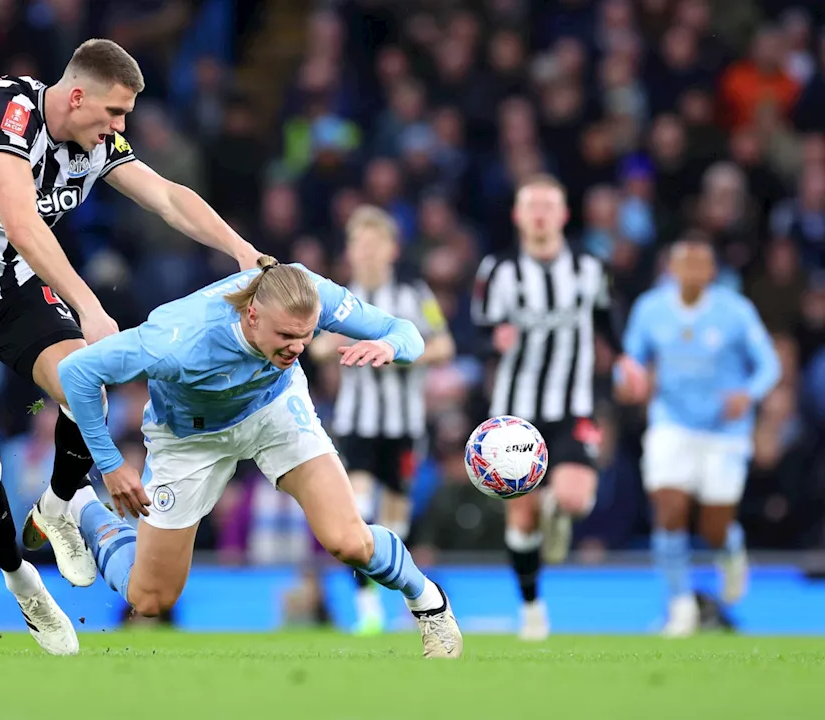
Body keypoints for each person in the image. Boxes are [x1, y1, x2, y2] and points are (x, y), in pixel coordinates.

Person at [0, 39, 259, 655]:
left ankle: (57, 508)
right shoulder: (5, 115)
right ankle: (22, 581)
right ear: (76, 95)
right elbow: (24, 225)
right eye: (114, 113)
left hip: (9, 287)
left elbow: (165, 195)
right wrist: (90, 305)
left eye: (126, 117)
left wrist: (238, 249)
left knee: (87, 377)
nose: (120, 127)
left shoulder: (97, 142)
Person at [55, 257, 463, 659]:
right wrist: (108, 463)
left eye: (305, 336)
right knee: (151, 598)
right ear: (252, 315)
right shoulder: (178, 338)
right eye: (285, 335)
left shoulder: (311, 293)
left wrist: (391, 346)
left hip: (275, 410)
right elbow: (77, 372)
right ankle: (83, 506)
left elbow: (406, 331)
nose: (297, 347)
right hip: (190, 437)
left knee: (348, 541)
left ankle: (429, 603)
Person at [471, 174, 641, 641]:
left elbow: (607, 318)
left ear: (564, 215)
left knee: (575, 498)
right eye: (532, 205)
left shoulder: (591, 266)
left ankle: (556, 509)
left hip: (575, 404)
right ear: (518, 216)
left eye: (549, 204)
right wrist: (493, 340)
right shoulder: (498, 270)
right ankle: (531, 608)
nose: (541, 213)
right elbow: (476, 329)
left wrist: (626, 359)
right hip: (514, 414)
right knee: (521, 517)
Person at [618, 239, 779, 637]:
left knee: (712, 525)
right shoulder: (650, 308)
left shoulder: (735, 312)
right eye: (684, 265)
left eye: (700, 265)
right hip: (671, 423)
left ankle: (730, 549)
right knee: (669, 509)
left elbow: (769, 364)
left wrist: (748, 394)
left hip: (724, 431)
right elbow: (631, 361)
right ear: (671, 270)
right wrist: (629, 383)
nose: (691, 272)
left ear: (712, 272)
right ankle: (680, 606)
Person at [310, 205, 455, 635]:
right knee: (356, 506)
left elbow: (444, 343)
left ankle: (397, 597)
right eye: (360, 244)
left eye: (376, 244)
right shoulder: (338, 296)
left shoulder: (415, 293)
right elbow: (314, 347)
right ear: (350, 251)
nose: (368, 253)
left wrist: (398, 352)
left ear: (392, 249)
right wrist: (341, 344)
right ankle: (366, 606)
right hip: (357, 425)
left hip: (405, 426)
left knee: (395, 520)